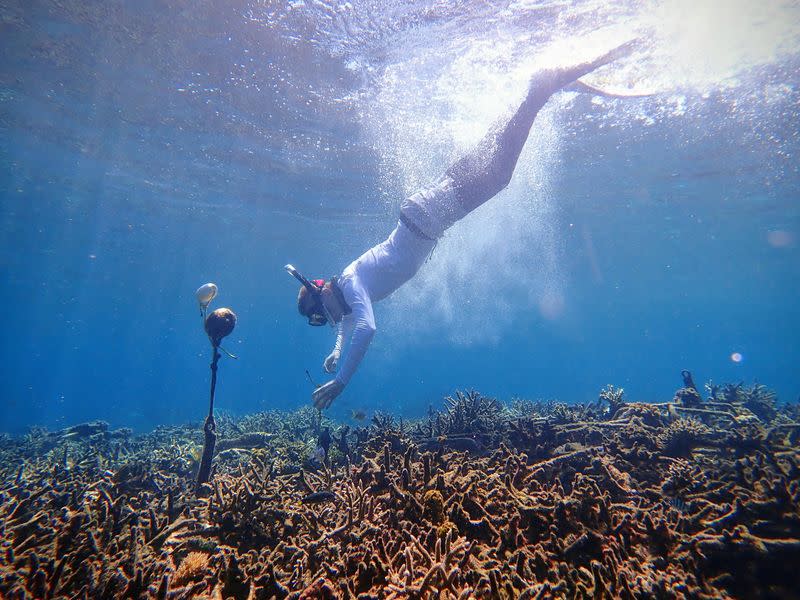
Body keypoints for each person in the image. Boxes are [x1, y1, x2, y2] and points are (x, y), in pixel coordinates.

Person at [287, 39, 638, 410]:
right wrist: (336, 353)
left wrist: (342, 380)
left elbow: (367, 327)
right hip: (424, 212)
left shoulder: (352, 284)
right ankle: (534, 95)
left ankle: (540, 90)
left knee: (499, 174)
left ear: (322, 293)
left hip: (430, 215)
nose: (327, 321)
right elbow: (347, 320)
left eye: (319, 316)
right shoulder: (346, 286)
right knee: (489, 150)